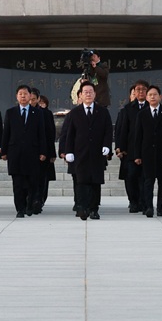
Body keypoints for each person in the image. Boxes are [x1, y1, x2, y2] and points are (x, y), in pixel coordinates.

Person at [63, 82, 113, 220]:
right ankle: (82, 208)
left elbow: (108, 131)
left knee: (95, 182)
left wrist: (107, 146)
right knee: (81, 182)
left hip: (97, 153)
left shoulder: (103, 112)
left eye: (91, 91)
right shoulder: (74, 113)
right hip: (80, 153)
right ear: (80, 95)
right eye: (85, 92)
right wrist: (69, 151)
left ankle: (94, 209)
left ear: (95, 94)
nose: (88, 94)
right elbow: (70, 134)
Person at [1, 85, 47, 218]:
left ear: (30, 96)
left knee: (32, 183)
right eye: (20, 94)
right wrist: (3, 151)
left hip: (32, 153)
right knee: (18, 184)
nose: (23, 96)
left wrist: (43, 151)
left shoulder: (37, 113)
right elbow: (6, 133)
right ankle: (19, 209)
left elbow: (41, 134)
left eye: (25, 94)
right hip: (15, 153)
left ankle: (29, 206)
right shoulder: (10, 112)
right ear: (16, 96)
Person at [132, 85, 162, 217]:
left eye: (155, 94)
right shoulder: (142, 114)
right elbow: (138, 136)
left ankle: (160, 207)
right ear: (147, 98)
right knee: (148, 182)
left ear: (160, 97)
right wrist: (137, 155)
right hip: (147, 153)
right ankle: (149, 206)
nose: (153, 97)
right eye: (150, 95)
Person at [116, 79, 149, 213]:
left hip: (146, 150)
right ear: (134, 92)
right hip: (130, 150)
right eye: (138, 89)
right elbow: (122, 130)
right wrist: (120, 147)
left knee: (145, 178)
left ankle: (144, 202)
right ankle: (133, 202)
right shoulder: (127, 109)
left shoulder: (151, 107)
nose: (140, 92)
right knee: (131, 178)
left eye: (143, 89)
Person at [30, 89, 57, 210]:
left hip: (43, 152)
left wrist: (51, 153)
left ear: (38, 99)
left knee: (42, 178)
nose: (31, 102)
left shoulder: (45, 114)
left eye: (33, 99)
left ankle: (39, 200)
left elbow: (51, 134)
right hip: (27, 153)